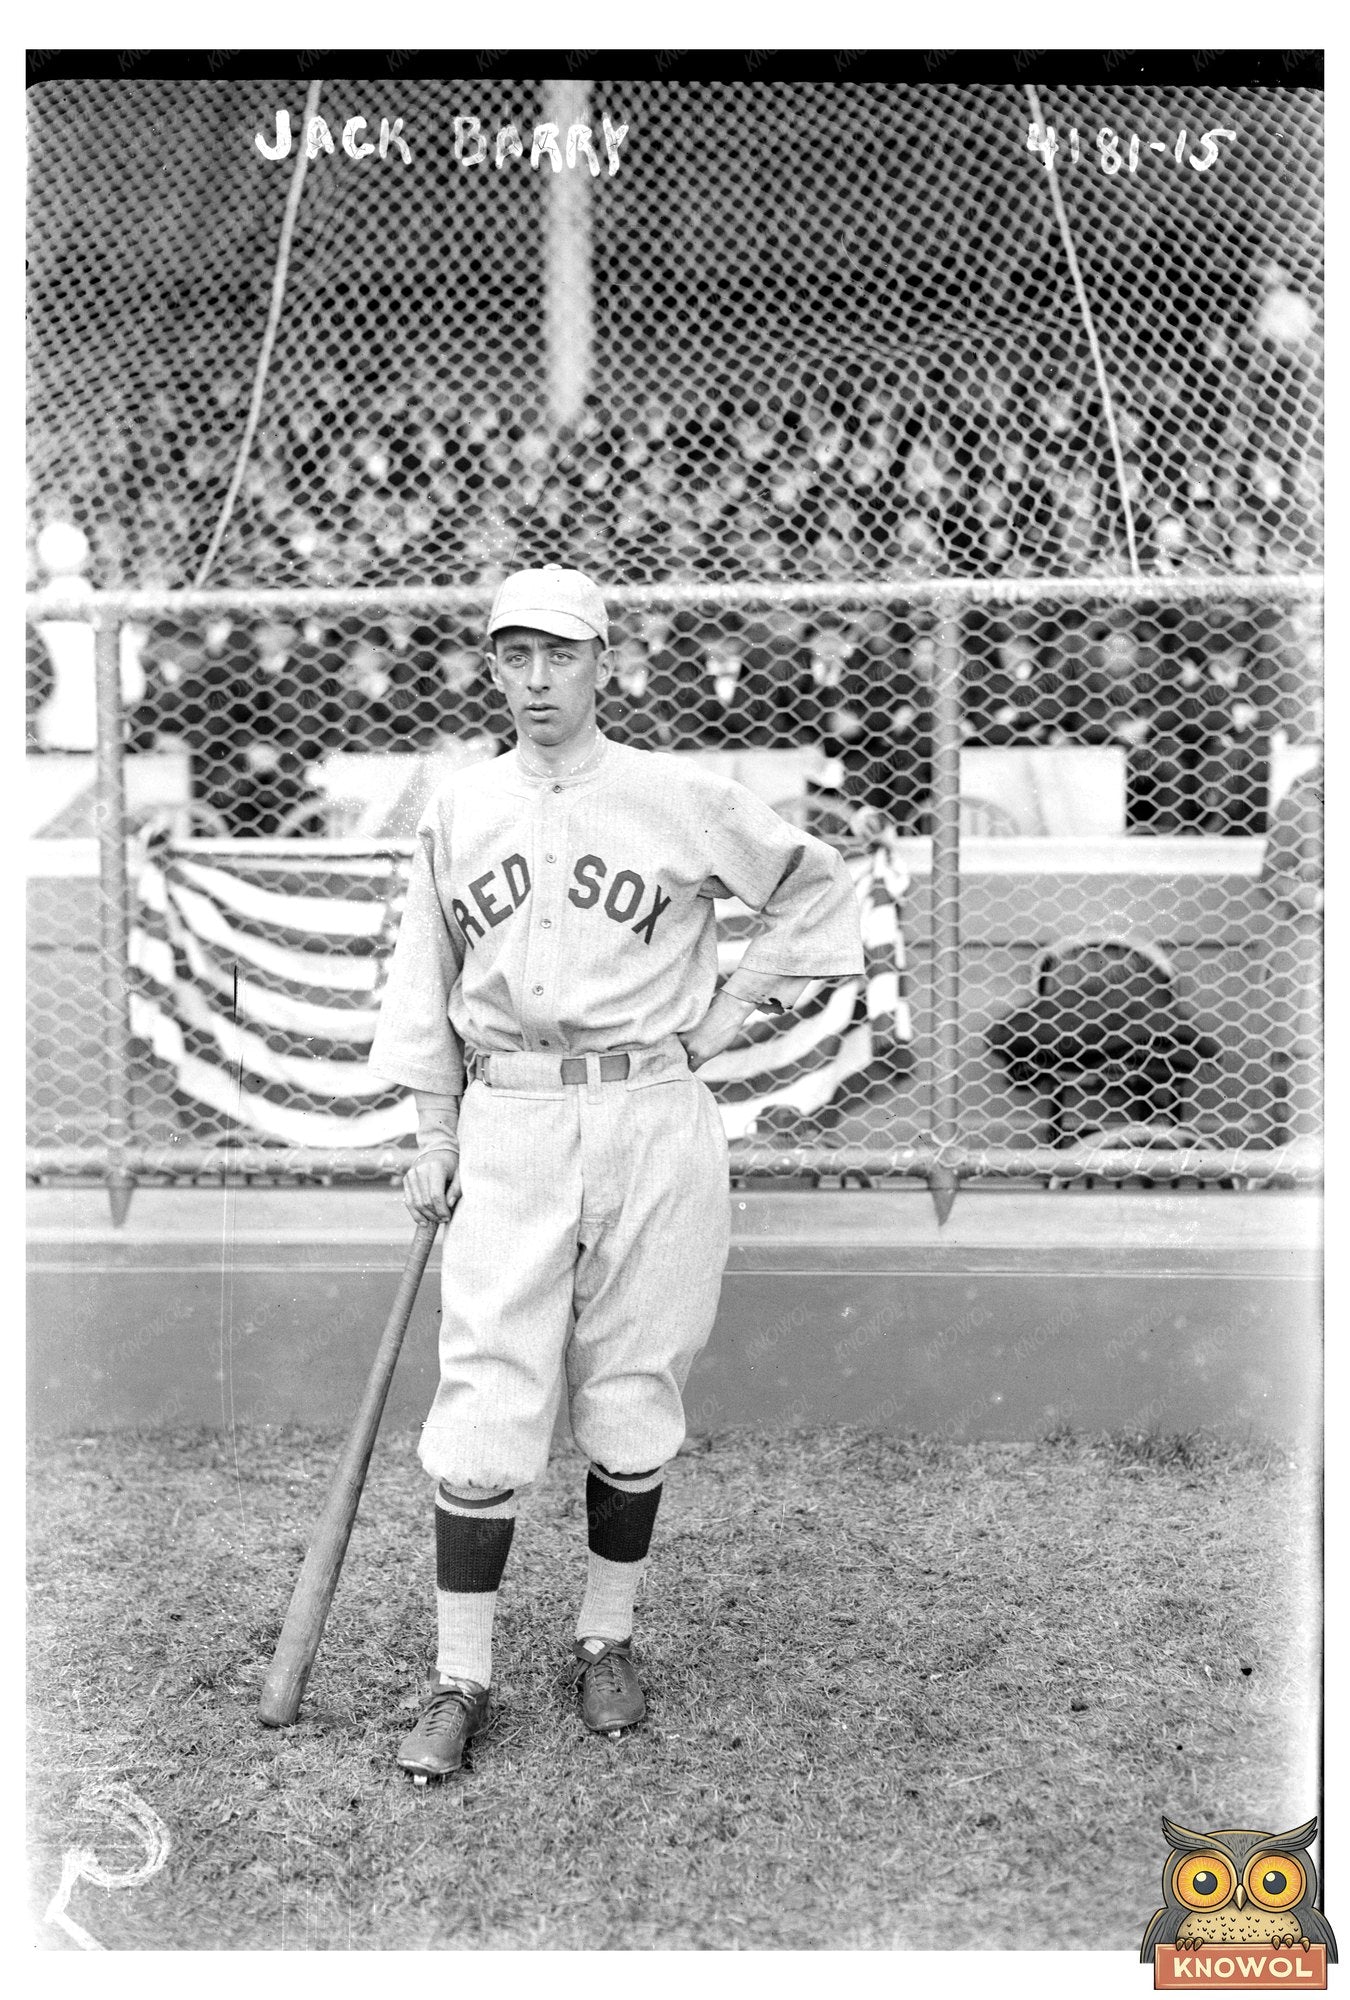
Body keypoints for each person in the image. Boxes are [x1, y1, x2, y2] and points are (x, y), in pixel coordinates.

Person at [368, 565, 863, 1781]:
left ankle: (607, 1634)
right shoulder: (460, 805)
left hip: (653, 1109)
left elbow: (817, 888)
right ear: (492, 667)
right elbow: (422, 980)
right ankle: (459, 1674)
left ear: (605, 664)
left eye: (561, 656)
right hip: (512, 1114)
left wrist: (729, 1014)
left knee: (637, 1378)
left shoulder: (675, 795)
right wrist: (432, 1133)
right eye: (514, 657)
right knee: (487, 1390)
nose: (537, 680)